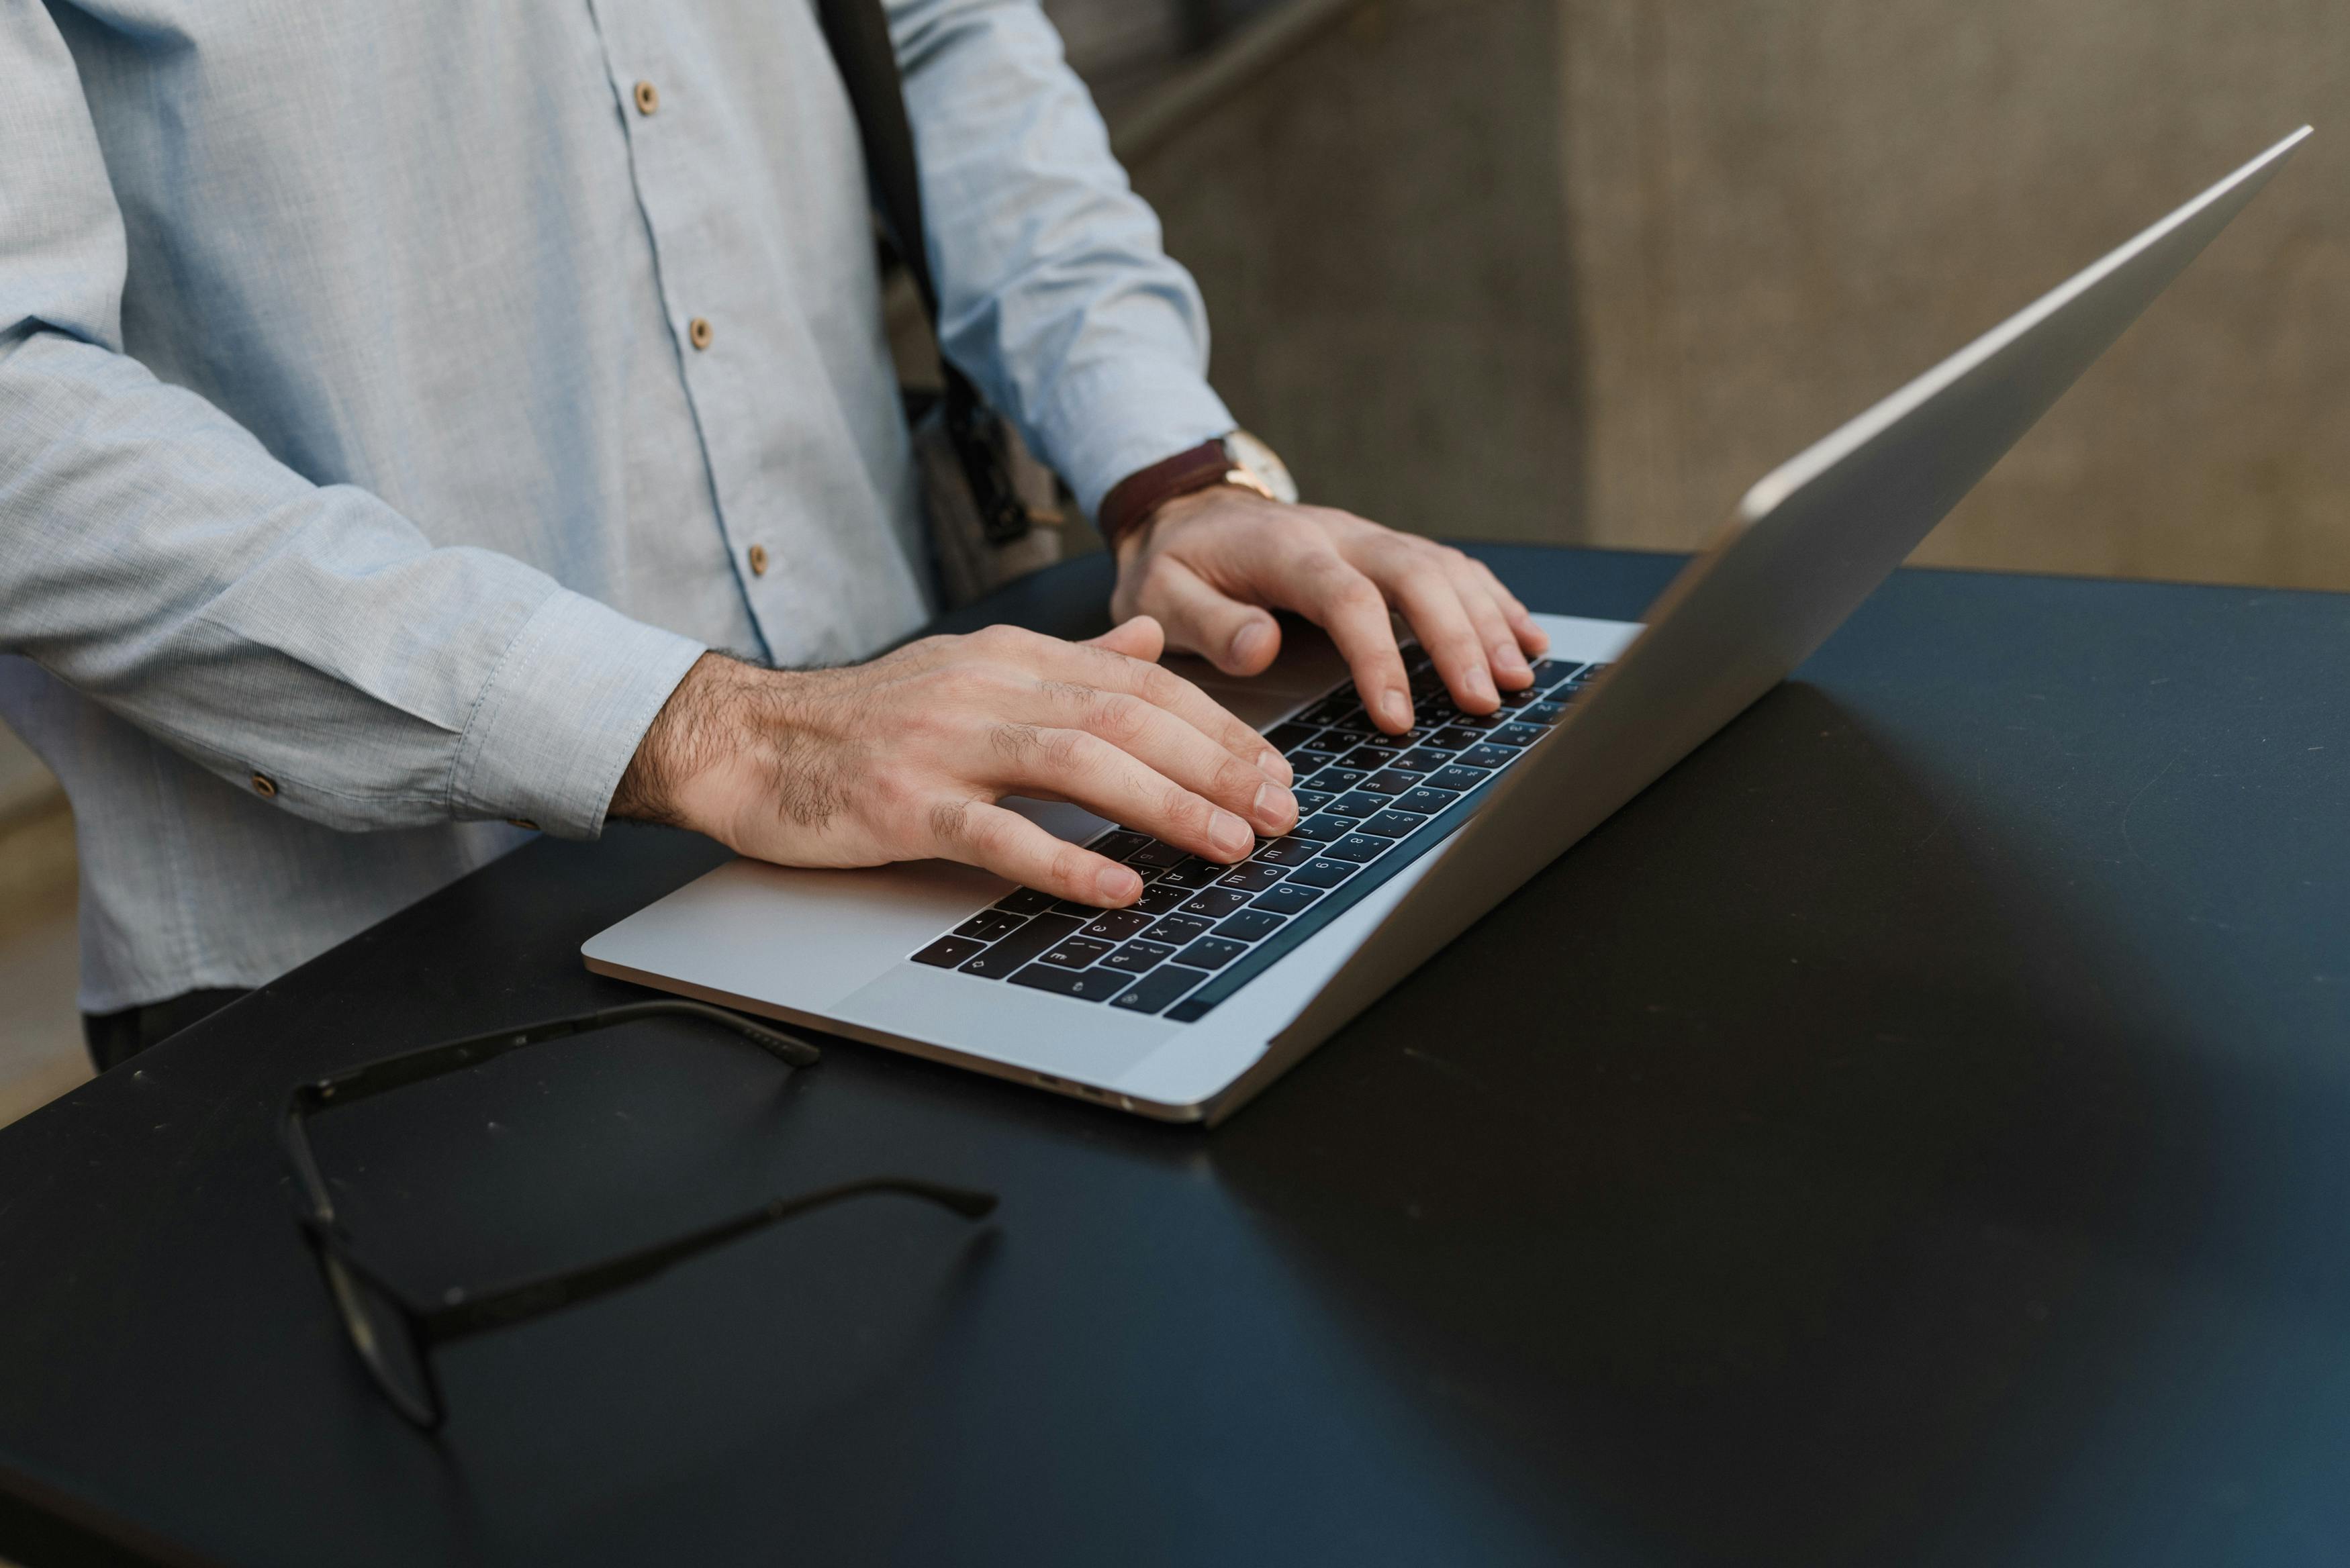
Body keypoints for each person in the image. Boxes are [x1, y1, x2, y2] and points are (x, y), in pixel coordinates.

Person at [0, 0, 1548, 1069]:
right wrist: (716, 731)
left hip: (927, 842)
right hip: (378, 958)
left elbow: (939, 39)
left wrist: (1168, 472)